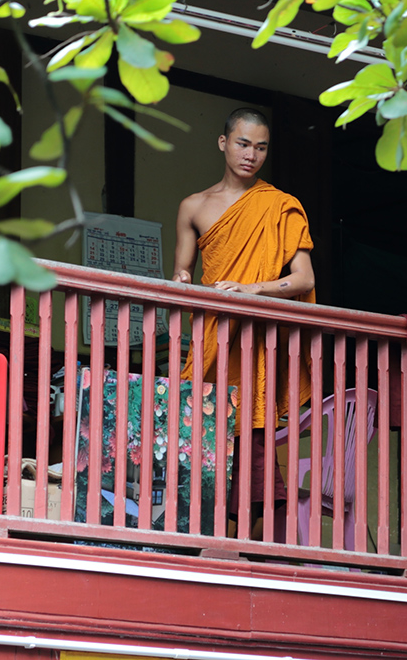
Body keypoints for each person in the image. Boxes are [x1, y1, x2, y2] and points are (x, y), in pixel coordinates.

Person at [172, 107, 315, 532]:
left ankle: (252, 539)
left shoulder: (281, 206)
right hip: (214, 337)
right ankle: (202, 533)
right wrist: (181, 280)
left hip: (258, 342)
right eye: (242, 143)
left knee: (253, 438)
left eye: (261, 147)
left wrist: (253, 288)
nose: (251, 155)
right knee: (198, 430)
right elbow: (182, 275)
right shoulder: (193, 206)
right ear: (223, 143)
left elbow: (304, 278)